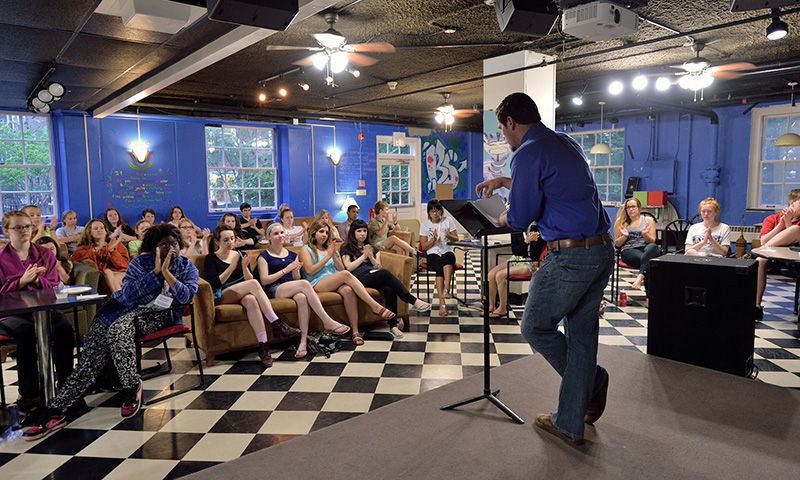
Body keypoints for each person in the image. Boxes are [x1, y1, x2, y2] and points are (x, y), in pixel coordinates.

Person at [476, 92, 613, 445]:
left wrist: (503, 213)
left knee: (535, 326)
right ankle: (569, 421)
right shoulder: (562, 142)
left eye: (502, 128)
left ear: (510, 123)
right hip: (601, 249)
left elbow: (520, 216)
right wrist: (507, 183)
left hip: (569, 257)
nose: (504, 137)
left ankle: (593, 381)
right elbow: (557, 188)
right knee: (581, 336)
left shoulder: (526, 153)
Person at [22, 224, 200, 441]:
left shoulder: (187, 267)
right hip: (121, 311)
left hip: (159, 316)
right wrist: (155, 273)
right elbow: (129, 294)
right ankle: (57, 410)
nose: (170, 249)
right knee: (91, 357)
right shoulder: (139, 263)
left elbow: (185, 297)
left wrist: (167, 274)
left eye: (174, 244)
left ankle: (131, 385)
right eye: (164, 245)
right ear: (154, 247)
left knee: (119, 327)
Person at [0, 211, 76, 417]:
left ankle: (67, 386)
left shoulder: (45, 254)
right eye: (18, 227)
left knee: (63, 328)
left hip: (42, 309)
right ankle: (29, 393)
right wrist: (21, 282)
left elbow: (53, 286)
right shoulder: (0, 258)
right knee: (27, 333)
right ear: (7, 231)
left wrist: (35, 281)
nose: (25, 231)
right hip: (9, 314)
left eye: (27, 226)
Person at [202, 225, 300, 367]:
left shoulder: (240, 254)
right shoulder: (211, 258)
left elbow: (248, 280)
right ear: (217, 241)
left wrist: (243, 267)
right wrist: (232, 265)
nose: (230, 243)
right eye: (226, 240)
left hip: (243, 290)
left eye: (232, 239)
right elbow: (216, 282)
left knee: (251, 300)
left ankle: (263, 346)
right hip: (223, 293)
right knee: (254, 284)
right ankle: (276, 323)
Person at [256, 223, 351, 358]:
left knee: (302, 297)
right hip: (275, 288)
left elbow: (297, 278)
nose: (280, 236)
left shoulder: (292, 254)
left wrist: (295, 271)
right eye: (276, 234)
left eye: (282, 233)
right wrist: (286, 270)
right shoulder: (264, 256)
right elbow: (264, 280)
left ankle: (302, 342)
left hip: (293, 286)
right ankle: (327, 320)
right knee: (305, 284)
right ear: (269, 237)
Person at [299, 220, 395, 346]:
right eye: (321, 232)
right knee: (346, 275)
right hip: (316, 283)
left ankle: (355, 332)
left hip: (334, 280)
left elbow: (340, 268)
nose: (324, 235)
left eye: (327, 233)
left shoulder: (330, 248)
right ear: (313, 233)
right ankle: (375, 306)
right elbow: (309, 271)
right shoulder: (306, 249)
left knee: (348, 290)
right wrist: (328, 257)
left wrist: (333, 255)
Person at [341, 220, 432, 339]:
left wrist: (371, 257)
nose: (362, 234)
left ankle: (393, 326)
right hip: (358, 278)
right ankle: (410, 299)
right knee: (385, 273)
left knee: (389, 288)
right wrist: (363, 256)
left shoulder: (373, 248)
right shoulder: (346, 248)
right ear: (353, 233)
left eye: (364, 231)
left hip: (373, 274)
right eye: (359, 231)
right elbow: (348, 267)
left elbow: (378, 266)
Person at [754, 190, 800, 319]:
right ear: (792, 203)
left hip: (794, 256)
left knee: (796, 229)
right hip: (771, 254)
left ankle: (764, 251)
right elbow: (763, 240)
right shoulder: (772, 219)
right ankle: (756, 305)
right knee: (760, 260)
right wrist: (781, 224)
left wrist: (789, 223)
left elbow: (793, 238)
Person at [487, 223, 546, 318]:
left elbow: (544, 242)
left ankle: (502, 308)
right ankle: (491, 306)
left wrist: (537, 239)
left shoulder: (537, 228)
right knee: (491, 275)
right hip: (518, 259)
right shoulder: (515, 229)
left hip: (532, 262)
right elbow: (516, 251)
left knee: (500, 275)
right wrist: (526, 242)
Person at [419, 199, 458, 316]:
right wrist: (433, 240)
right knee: (439, 268)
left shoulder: (448, 221)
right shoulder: (425, 225)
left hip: (447, 250)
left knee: (447, 258)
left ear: (441, 211)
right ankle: (442, 303)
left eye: (437, 211)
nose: (435, 214)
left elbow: (456, 239)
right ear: (429, 213)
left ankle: (447, 289)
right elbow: (424, 247)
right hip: (432, 253)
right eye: (432, 211)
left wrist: (448, 235)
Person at [614, 198, 661, 294]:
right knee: (649, 262)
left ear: (639, 208)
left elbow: (652, 240)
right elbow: (617, 244)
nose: (631, 209)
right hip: (629, 250)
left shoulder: (648, 220)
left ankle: (640, 277)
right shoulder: (620, 222)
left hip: (646, 249)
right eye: (628, 207)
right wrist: (625, 236)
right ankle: (649, 299)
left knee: (653, 247)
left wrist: (645, 234)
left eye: (633, 207)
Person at [71, 219, 130, 292]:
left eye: (102, 228)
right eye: (96, 229)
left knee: (111, 275)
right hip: (103, 276)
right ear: (89, 232)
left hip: (120, 273)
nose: (99, 230)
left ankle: (119, 300)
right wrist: (96, 249)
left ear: (106, 231)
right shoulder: (85, 247)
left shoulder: (116, 244)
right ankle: (121, 300)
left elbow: (124, 265)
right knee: (107, 272)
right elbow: (74, 259)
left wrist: (112, 250)